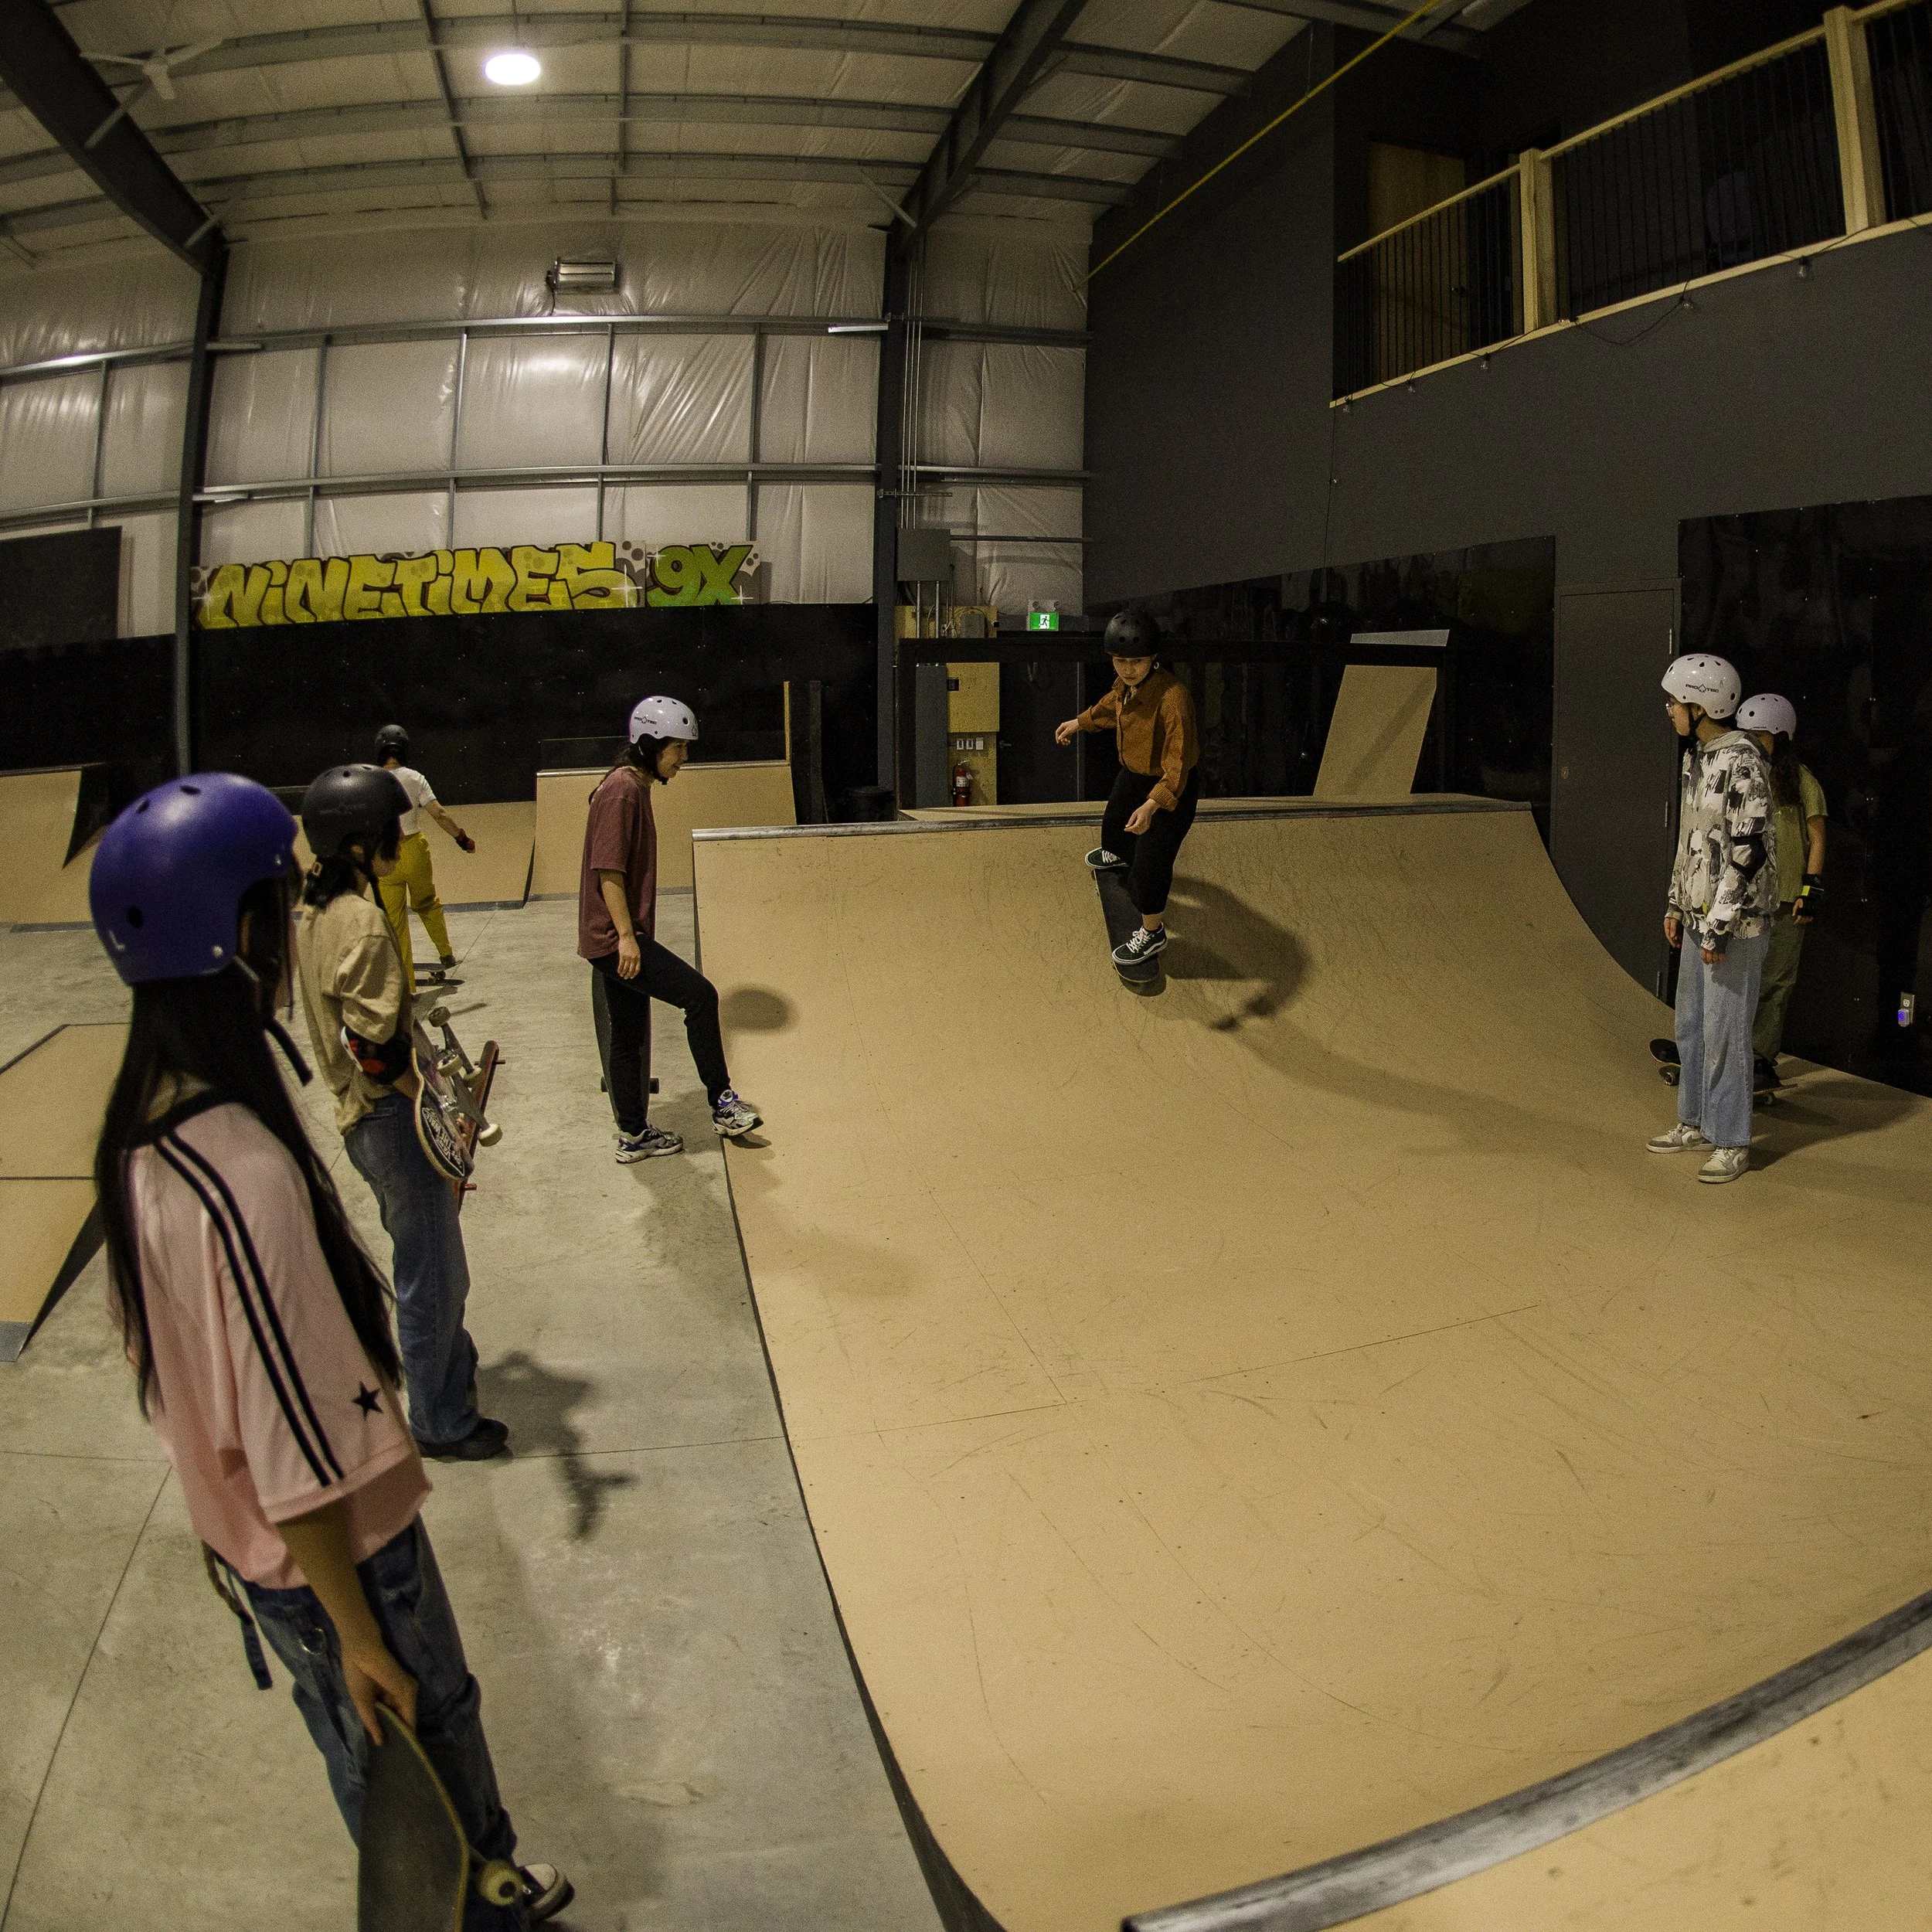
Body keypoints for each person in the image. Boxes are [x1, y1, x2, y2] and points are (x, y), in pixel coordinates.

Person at [87, 771, 570, 1928]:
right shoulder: (237, 1177)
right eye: (274, 906)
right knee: (423, 1732)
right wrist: (356, 1626)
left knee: (379, 1765)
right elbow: (291, 1439)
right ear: (240, 934)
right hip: (339, 1554)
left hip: (265, 1554)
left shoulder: (148, 1135)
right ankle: (484, 1900)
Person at [294, 762, 509, 1461]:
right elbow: (375, 1050)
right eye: (390, 828)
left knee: (437, 1270)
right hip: (389, 1121)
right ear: (361, 843)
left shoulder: (314, 912)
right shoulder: (361, 920)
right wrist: (438, 1115)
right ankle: (440, 1422)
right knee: (433, 1279)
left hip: (362, 1123)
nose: (398, 837)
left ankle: (452, 1389)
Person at [578, 696, 761, 1162]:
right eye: (678, 748)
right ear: (649, 745)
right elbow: (608, 871)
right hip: (615, 938)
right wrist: (625, 936)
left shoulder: (632, 787)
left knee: (629, 1032)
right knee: (700, 996)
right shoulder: (622, 791)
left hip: (614, 936)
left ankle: (634, 1135)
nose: (683, 759)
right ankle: (722, 1105)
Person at [1649, 655, 1777, 1183]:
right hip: (1701, 914)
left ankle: (1731, 1139)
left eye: (1677, 701)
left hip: (1735, 925)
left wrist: (1720, 926)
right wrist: (1677, 903)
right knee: (1692, 1025)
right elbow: (1693, 839)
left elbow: (1748, 854)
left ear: (1703, 706)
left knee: (1726, 1031)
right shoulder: (1698, 759)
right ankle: (1695, 1122)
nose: (1670, 709)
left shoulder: (1743, 764)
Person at [1054, 609, 1201, 969]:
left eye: (1137, 662)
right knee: (1114, 824)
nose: (1128, 669)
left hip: (1172, 789)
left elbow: (1178, 766)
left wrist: (1152, 806)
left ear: (1153, 659)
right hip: (1135, 775)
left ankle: (1153, 933)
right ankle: (1119, 853)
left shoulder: (1173, 698)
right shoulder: (1126, 687)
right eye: (1121, 661)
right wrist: (1077, 723)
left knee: (1150, 863)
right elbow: (1107, 708)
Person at [1735, 693, 1826, 1087]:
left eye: (1760, 735)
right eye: (1748, 735)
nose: (1753, 742)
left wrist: (1812, 889)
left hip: (1788, 895)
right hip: (1746, 895)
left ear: (1780, 737)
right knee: (1740, 978)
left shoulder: (1803, 780)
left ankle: (1759, 1057)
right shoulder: (1742, 777)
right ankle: (1724, 1050)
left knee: (1777, 980)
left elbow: (1817, 839)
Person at [374, 723, 477, 992]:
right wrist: (461, 839)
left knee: (395, 920)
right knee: (427, 903)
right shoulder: (415, 778)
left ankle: (407, 986)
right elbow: (439, 814)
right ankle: (445, 952)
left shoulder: (372, 780)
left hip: (385, 854)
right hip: (414, 850)